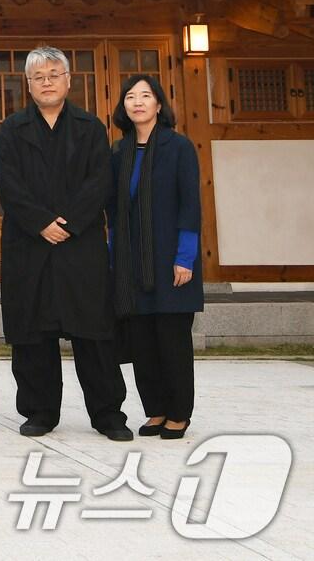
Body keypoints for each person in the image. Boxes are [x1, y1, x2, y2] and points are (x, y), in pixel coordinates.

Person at [0, 46, 131, 441]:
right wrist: (40, 223)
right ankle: (40, 410)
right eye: (39, 76)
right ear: (28, 85)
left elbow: (100, 181)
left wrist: (67, 224)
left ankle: (108, 414)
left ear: (69, 81)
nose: (48, 81)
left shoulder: (90, 127)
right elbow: (9, 183)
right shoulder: (13, 128)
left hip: (80, 245)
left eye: (55, 74)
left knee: (94, 333)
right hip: (29, 244)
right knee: (33, 333)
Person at [109, 74, 202, 440]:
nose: (137, 102)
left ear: (159, 105)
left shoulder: (178, 147)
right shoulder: (120, 152)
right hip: (133, 260)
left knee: (172, 339)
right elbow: (114, 211)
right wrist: (114, 257)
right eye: (130, 97)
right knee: (143, 341)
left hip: (171, 257)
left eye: (145, 96)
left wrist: (186, 257)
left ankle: (179, 412)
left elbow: (189, 204)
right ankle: (156, 410)